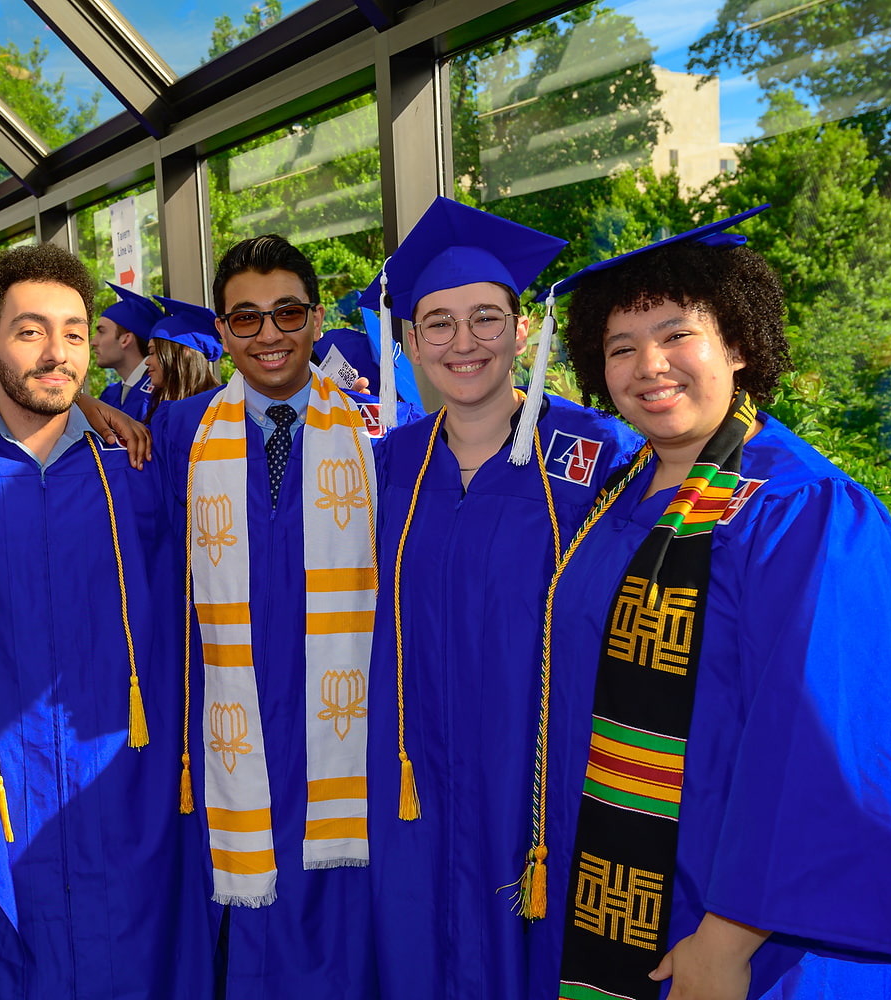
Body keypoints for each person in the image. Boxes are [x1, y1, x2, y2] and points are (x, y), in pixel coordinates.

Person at [525, 207, 891, 999]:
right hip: (612, 890)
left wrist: (727, 940)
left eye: (678, 334)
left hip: (744, 926)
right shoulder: (616, 496)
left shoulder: (805, 511)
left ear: (739, 344)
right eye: (621, 347)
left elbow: (825, 754)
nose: (650, 364)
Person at [357, 197, 642, 1000]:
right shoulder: (388, 465)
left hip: (539, 776)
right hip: (418, 781)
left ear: (523, 331)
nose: (464, 342)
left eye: (487, 317)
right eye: (438, 323)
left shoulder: (595, 456)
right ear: (410, 342)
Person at [0, 243, 209, 999]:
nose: (58, 352)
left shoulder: (141, 469)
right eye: (30, 331)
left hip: (130, 791)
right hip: (1, 794)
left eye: (76, 333)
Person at [152, 234, 379, 999]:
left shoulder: (379, 432)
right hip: (232, 724)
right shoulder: (181, 431)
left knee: (342, 923)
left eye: (286, 312)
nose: (268, 334)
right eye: (244, 318)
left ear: (316, 318)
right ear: (221, 332)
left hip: (340, 725)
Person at [143, 295, 222, 423]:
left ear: (184, 352)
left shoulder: (216, 408)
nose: (147, 361)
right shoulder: (158, 406)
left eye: (153, 352)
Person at [94, 283, 161, 421]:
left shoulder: (159, 391)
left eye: (101, 331)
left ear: (125, 339)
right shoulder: (110, 394)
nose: (93, 341)